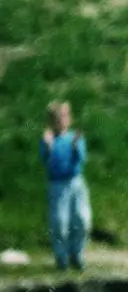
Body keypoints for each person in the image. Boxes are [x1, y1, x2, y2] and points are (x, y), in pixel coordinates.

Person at [40, 101, 92, 271]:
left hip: (75, 181)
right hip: (57, 184)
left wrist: (76, 147)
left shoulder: (74, 137)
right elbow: (45, 160)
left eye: (64, 116)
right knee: (59, 223)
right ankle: (61, 257)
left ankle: (77, 254)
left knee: (82, 219)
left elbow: (81, 159)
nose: (61, 120)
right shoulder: (49, 140)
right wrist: (48, 147)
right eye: (57, 118)